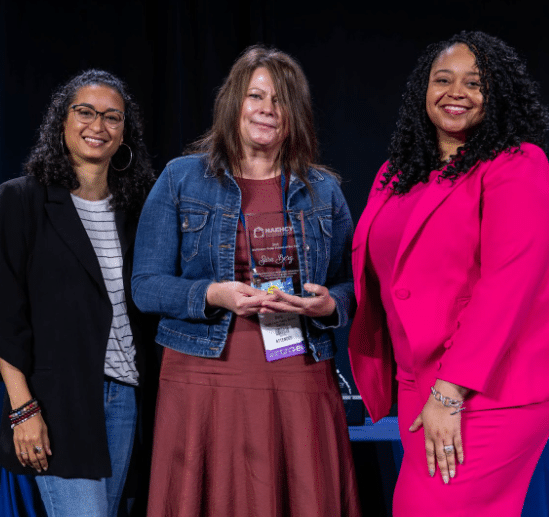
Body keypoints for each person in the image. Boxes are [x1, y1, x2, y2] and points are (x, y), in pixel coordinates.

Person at [348, 31, 549, 516]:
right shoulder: (398, 172)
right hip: (419, 380)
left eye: (475, 83)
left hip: (492, 382)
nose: (456, 92)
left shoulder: (517, 166)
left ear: (497, 98)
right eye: (443, 79)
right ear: (423, 90)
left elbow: (509, 287)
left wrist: (450, 393)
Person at [131, 45, 361, 517]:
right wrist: (213, 294)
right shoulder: (181, 178)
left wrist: (328, 305)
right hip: (203, 373)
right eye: (256, 96)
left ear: (295, 114)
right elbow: (146, 285)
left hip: (299, 373)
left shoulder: (323, 189)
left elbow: (350, 284)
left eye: (280, 101)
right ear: (233, 102)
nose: (267, 110)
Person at [0, 69, 157, 517]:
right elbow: (4, 319)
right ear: (62, 122)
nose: (98, 126)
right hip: (57, 401)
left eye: (112, 117)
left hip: (126, 399)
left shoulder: (140, 209)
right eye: (86, 112)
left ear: (124, 134)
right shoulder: (20, 200)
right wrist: (23, 411)